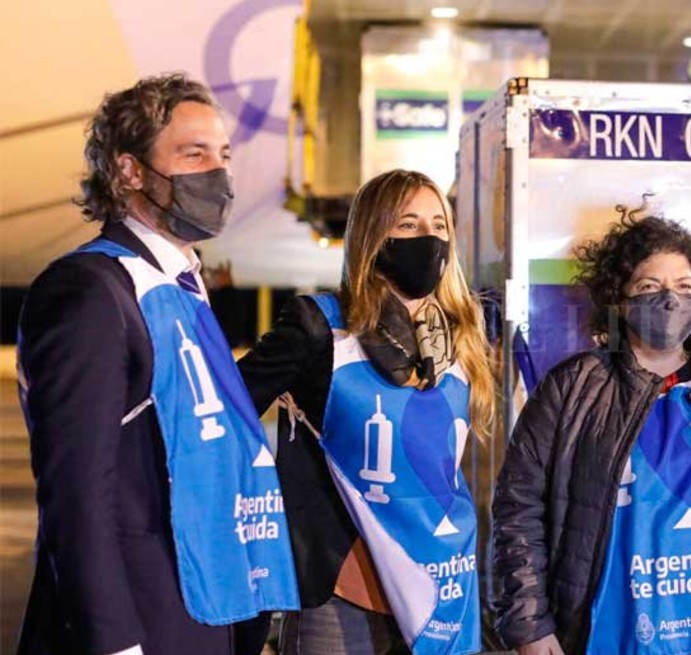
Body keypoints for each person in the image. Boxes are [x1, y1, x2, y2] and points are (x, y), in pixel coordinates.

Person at [16, 73, 297, 655]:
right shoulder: (92, 290)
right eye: (194, 154)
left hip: (205, 606)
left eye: (223, 155)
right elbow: (76, 495)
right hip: (142, 623)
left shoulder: (182, 287)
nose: (217, 174)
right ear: (130, 171)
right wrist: (115, 642)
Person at [492, 210, 691, 655]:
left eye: (684, 287)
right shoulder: (572, 388)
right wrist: (529, 625)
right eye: (649, 287)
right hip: (610, 637)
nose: (669, 299)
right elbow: (519, 509)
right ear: (619, 299)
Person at [237, 169, 496, 654]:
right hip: (341, 598)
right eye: (408, 225)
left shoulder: (464, 337)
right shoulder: (320, 328)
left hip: (439, 588)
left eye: (439, 225)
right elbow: (225, 416)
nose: (429, 238)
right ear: (373, 236)